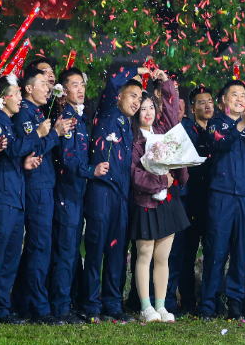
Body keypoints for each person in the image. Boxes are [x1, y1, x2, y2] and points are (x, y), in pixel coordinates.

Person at [0, 76, 49, 325]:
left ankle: (1, 308)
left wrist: (23, 162)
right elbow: (8, 150)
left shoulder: (7, 120)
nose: (20, 99)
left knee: (10, 258)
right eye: (16, 94)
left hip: (15, 198)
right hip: (0, 196)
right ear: (4, 98)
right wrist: (37, 134)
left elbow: (13, 153)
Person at [11, 66, 75, 324]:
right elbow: (32, 149)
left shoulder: (38, 112)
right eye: (42, 84)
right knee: (38, 246)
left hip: (46, 184)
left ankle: (23, 303)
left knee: (40, 248)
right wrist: (55, 135)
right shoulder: (23, 115)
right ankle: (38, 308)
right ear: (28, 88)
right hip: (35, 184)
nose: (48, 87)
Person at [83, 69, 145, 322]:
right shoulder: (107, 112)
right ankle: (90, 305)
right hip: (101, 192)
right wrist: (139, 70)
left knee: (117, 252)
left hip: (121, 194)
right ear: (118, 96)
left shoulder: (129, 126)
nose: (136, 102)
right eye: (132, 95)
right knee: (96, 250)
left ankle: (112, 304)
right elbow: (112, 79)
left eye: (139, 99)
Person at [129, 71, 190, 323]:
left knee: (163, 257)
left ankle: (161, 305)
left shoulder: (164, 129)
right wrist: (159, 181)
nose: (148, 113)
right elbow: (134, 175)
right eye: (142, 109)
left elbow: (172, 106)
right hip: (145, 202)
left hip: (168, 201)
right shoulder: (132, 139)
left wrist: (165, 83)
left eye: (151, 107)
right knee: (144, 255)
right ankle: (145, 307)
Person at [50, 68, 109, 323]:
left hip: (77, 194)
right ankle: (60, 308)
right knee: (65, 252)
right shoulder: (68, 118)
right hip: (67, 193)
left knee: (73, 252)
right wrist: (91, 171)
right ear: (63, 89)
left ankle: (70, 303)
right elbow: (67, 159)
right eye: (74, 85)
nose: (81, 89)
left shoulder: (78, 117)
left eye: (82, 84)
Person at [198, 80, 245, 321]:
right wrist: (240, 125)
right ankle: (207, 304)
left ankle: (235, 302)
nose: (240, 98)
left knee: (240, 252)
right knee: (216, 251)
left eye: (243, 95)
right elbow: (218, 144)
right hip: (221, 194)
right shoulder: (215, 123)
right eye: (235, 95)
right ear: (224, 101)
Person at [168, 86, 214, 316]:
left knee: (212, 251)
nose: (207, 106)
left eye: (210, 102)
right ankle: (185, 300)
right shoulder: (185, 129)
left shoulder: (218, 130)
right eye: (201, 102)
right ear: (192, 107)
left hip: (212, 200)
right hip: (188, 200)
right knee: (185, 252)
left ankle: (209, 299)